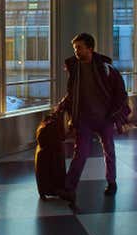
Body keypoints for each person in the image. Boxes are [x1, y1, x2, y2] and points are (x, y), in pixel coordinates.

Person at [55, 33, 128, 205]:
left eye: (79, 48)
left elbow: (120, 92)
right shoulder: (75, 68)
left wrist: (115, 113)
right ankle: (69, 188)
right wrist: (62, 105)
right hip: (84, 119)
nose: (76, 52)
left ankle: (112, 182)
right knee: (80, 153)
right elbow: (73, 93)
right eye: (75, 49)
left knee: (109, 149)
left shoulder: (106, 68)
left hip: (105, 118)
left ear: (90, 48)